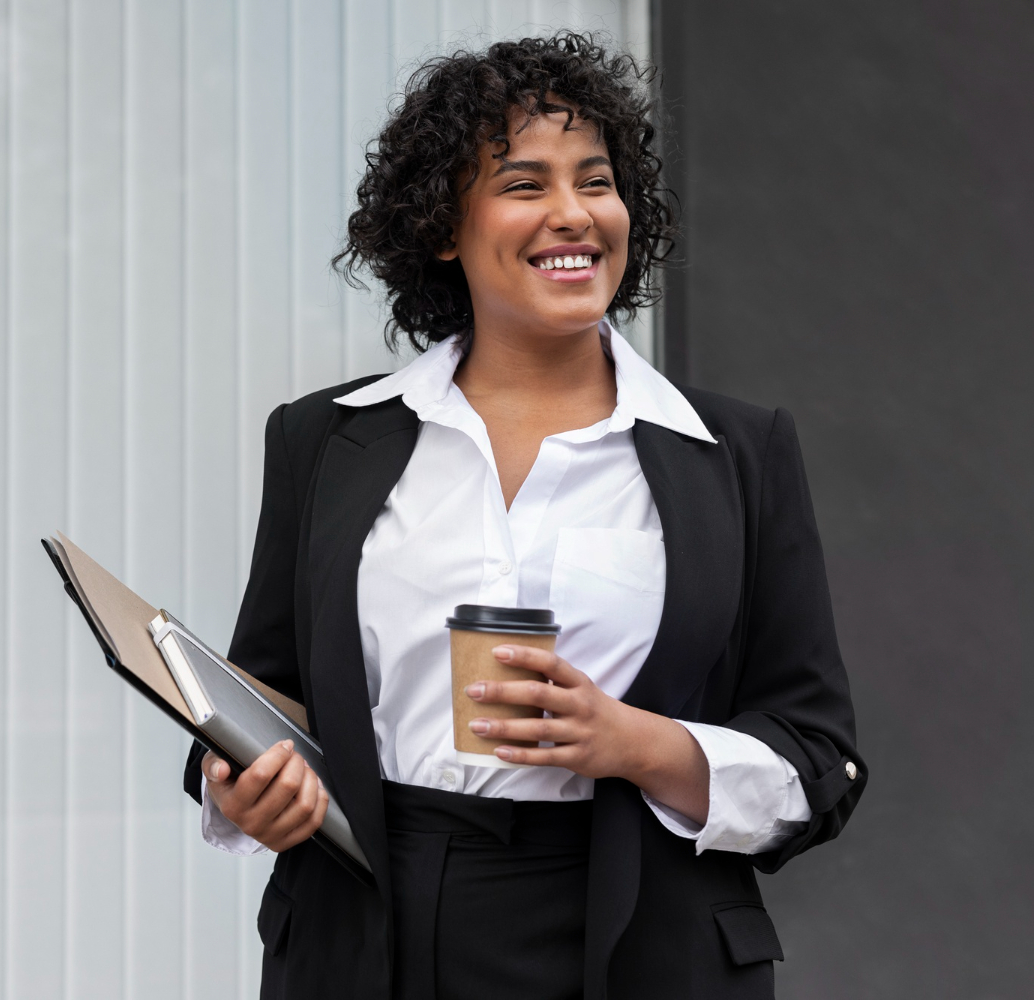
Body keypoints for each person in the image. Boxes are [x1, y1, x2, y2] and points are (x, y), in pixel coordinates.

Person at [181, 32, 864, 1000]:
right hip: (369, 932)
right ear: (441, 227)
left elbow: (819, 760)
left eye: (596, 180)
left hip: (646, 939)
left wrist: (632, 741)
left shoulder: (737, 453)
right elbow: (268, 695)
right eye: (523, 183)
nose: (573, 213)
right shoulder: (326, 441)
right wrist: (241, 785)